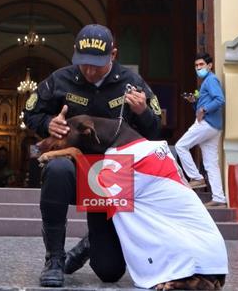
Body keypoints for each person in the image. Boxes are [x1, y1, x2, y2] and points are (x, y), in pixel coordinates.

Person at [23, 24, 161, 287]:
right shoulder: (59, 80)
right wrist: (48, 123)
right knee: (56, 169)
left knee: (109, 271)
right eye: (83, 63)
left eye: (96, 64)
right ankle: (54, 258)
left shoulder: (132, 84)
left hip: (113, 180)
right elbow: (30, 113)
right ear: (75, 53)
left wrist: (143, 111)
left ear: (113, 54)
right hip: (73, 169)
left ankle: (89, 244)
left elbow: (153, 132)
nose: (89, 70)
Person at [175, 52, 227, 207]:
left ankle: (196, 178)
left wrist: (204, 109)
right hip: (214, 126)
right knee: (211, 163)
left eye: (201, 65)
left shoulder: (210, 80)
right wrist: (194, 102)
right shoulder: (207, 81)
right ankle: (219, 198)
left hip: (206, 123)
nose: (198, 68)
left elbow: (220, 99)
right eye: (196, 66)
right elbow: (208, 102)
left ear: (209, 66)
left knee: (180, 146)